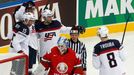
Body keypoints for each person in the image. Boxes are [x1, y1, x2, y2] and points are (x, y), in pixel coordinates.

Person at [13, 1, 39, 74]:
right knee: (26, 67)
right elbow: (17, 15)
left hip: (34, 46)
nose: (32, 10)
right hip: (28, 46)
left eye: (32, 9)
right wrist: (23, 6)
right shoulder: (23, 18)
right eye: (29, 9)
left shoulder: (32, 18)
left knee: (31, 66)